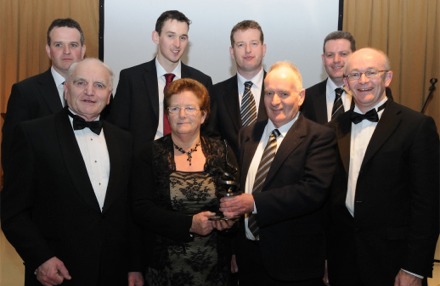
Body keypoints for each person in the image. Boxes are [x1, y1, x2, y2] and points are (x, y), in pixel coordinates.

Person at [1, 58, 144, 286]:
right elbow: (13, 212)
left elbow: (128, 211)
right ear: (66, 88)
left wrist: (134, 265)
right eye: (81, 83)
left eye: (99, 85)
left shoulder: (124, 140)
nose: (90, 91)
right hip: (55, 281)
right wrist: (40, 259)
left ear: (109, 96)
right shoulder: (33, 134)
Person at [326, 48, 439, 286]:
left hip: (397, 264)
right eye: (354, 74)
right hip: (346, 265)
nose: (363, 80)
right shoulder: (333, 129)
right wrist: (328, 258)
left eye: (371, 72)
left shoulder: (416, 126)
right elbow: (329, 202)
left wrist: (414, 268)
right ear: (345, 83)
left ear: (387, 77)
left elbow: (429, 203)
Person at [219, 61, 337, 286]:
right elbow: (241, 187)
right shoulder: (248, 133)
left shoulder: (320, 137)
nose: (275, 101)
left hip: (295, 265)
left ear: (301, 96)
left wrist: (255, 203)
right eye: (269, 93)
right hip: (250, 260)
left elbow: (312, 192)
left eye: (284, 94)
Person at [131, 78, 238, 286]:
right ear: (167, 114)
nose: (181, 114)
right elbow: (140, 208)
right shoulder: (149, 154)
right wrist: (189, 224)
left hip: (214, 272)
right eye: (174, 108)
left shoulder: (221, 150)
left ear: (203, 115)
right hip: (164, 272)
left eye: (189, 108)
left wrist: (230, 221)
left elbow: (233, 198)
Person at [105, 10, 215, 153]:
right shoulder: (131, 78)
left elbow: (209, 132)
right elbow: (118, 130)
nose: (177, 44)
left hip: (187, 165)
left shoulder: (201, 81)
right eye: (170, 36)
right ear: (156, 37)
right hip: (143, 166)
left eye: (183, 38)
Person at [2, 18, 86, 170]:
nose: (66, 51)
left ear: (83, 50)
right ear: (48, 50)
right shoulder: (25, 92)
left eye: (73, 45)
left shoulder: (98, 93)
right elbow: (12, 151)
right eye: (58, 45)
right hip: (43, 189)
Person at [213, 20, 267, 157]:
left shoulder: (281, 92)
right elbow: (212, 140)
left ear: (263, 49)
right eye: (241, 44)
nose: (248, 50)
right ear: (232, 52)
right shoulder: (215, 93)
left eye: (254, 44)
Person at [301, 31, 356, 123]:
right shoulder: (307, 98)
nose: (336, 60)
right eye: (330, 55)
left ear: (354, 56)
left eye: (343, 54)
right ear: (323, 59)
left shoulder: (368, 93)